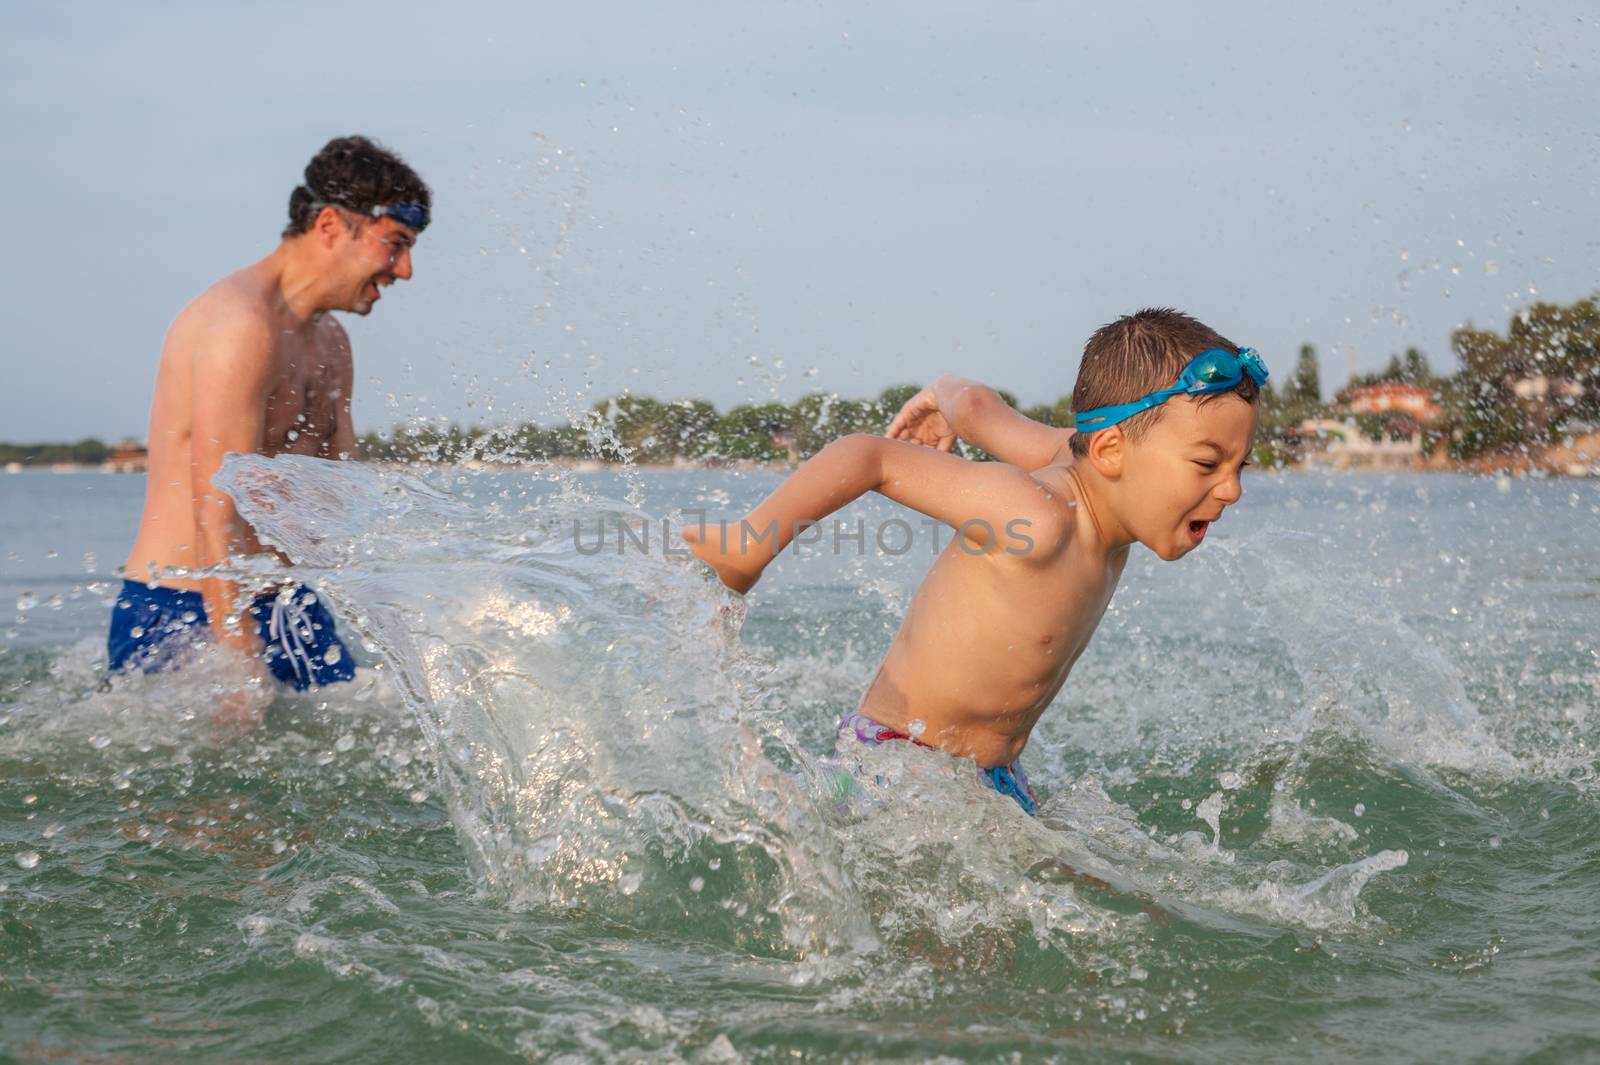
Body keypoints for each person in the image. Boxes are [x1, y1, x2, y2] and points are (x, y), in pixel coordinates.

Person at [686, 308, 1266, 815]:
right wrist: (748, 547)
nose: (1231, 490)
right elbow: (869, 457)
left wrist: (941, 395)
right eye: (1207, 463)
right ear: (1112, 451)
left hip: (991, 783)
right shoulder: (1038, 519)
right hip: (899, 770)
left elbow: (983, 411)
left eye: (1237, 467)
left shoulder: (1099, 470)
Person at [110, 135, 431, 703]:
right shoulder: (239, 325)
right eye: (395, 245)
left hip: (288, 603)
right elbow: (217, 513)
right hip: (189, 608)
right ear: (331, 225)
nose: (404, 270)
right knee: (219, 793)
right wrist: (239, 667)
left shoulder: (331, 341)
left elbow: (344, 498)